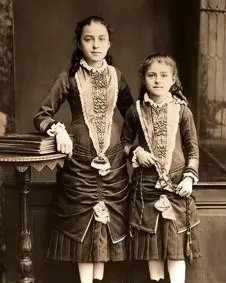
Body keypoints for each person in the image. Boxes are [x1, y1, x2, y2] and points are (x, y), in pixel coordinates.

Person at [33, 16, 133, 283]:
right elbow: (41, 115)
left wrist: (128, 147)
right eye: (89, 39)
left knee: (105, 227)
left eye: (101, 39)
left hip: (113, 164)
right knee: (83, 228)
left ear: (109, 43)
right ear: (80, 43)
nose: (96, 45)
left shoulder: (118, 77)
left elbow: (134, 118)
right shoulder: (67, 78)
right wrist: (58, 129)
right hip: (79, 162)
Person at [121, 53, 200, 283]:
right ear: (144, 78)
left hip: (177, 188)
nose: (158, 80)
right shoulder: (134, 111)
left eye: (164, 75)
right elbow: (123, 144)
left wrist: (188, 178)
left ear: (173, 79)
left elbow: (193, 150)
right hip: (146, 188)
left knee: (176, 249)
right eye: (152, 75)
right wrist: (136, 151)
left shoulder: (183, 111)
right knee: (152, 248)